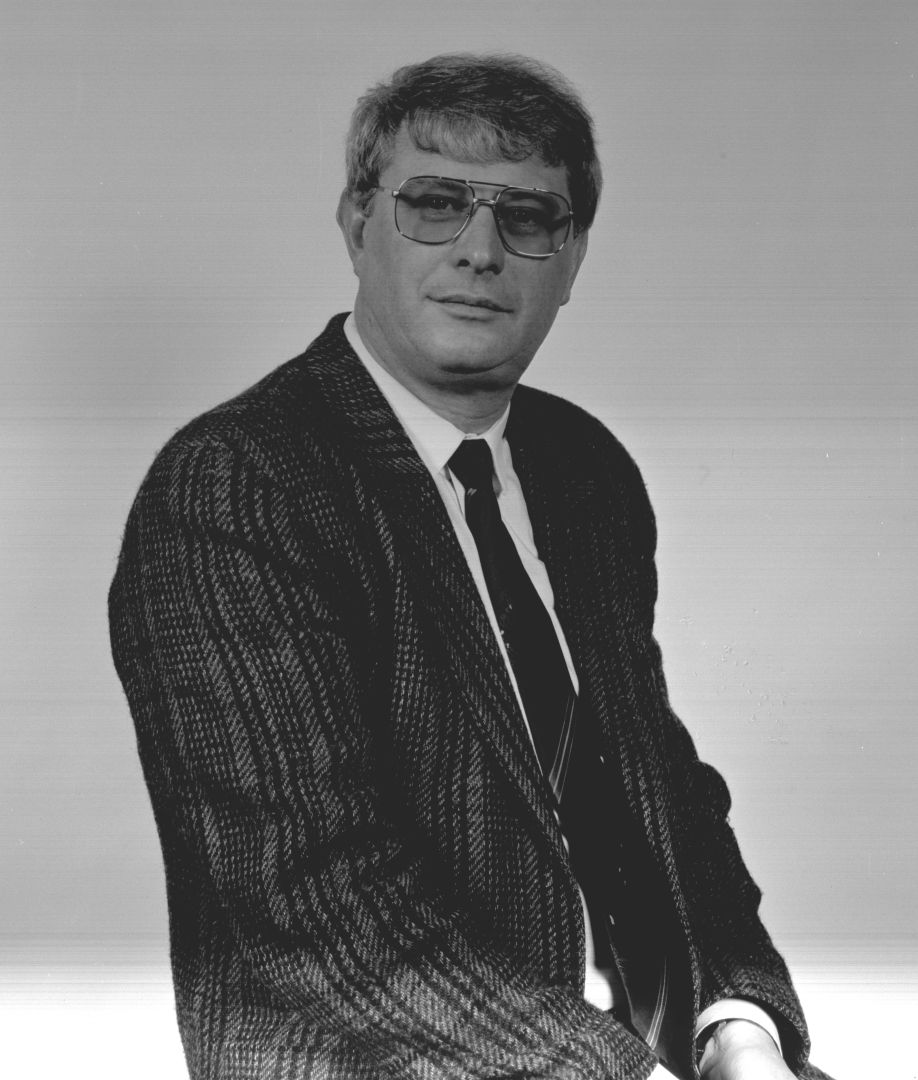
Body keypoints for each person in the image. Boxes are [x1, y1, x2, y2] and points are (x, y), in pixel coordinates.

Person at [109, 53, 832, 1080]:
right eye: (437, 204)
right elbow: (316, 905)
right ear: (357, 222)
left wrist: (739, 1023)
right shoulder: (238, 484)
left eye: (528, 217)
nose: (482, 250)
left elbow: (657, 784)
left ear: (572, 260)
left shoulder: (585, 471)